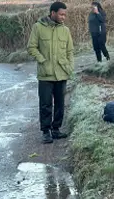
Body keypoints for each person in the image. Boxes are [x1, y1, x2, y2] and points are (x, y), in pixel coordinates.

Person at [27, 2, 74, 144]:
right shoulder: (38, 27)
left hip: (61, 73)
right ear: (52, 13)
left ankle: (56, 129)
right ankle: (46, 131)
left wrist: (70, 67)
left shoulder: (65, 30)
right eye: (61, 14)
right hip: (45, 74)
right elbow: (31, 47)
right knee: (46, 104)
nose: (63, 17)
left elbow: (70, 51)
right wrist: (42, 60)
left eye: (65, 14)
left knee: (60, 104)